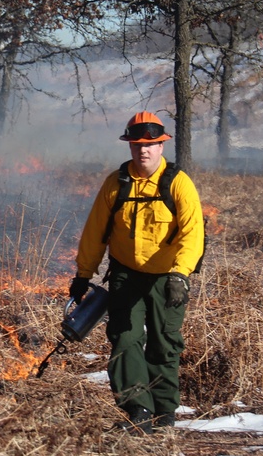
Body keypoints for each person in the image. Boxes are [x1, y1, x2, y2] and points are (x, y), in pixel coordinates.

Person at [70, 111, 205, 435]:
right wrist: (83, 274)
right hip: (125, 275)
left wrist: (180, 275)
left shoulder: (179, 184)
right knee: (124, 339)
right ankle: (138, 410)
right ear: (129, 146)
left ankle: (164, 414)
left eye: (150, 144)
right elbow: (94, 232)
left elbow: (193, 234)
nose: (143, 150)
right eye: (137, 144)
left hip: (167, 278)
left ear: (161, 146)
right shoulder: (115, 185)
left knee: (164, 343)